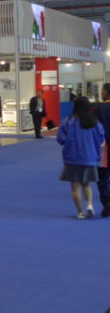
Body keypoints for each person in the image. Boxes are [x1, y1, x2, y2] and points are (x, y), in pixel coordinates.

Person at [57, 97, 105, 219]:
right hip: (90, 157)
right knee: (86, 184)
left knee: (75, 186)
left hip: (72, 158)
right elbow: (101, 138)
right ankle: (90, 205)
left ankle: (80, 212)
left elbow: (61, 139)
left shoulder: (68, 121)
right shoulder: (94, 122)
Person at [94, 83, 110, 217]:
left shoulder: (99, 109)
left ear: (105, 92)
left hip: (105, 147)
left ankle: (107, 201)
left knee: (102, 176)